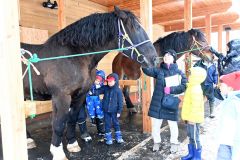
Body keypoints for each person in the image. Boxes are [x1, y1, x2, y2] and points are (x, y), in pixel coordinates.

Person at [142, 49, 187, 152]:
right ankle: (156, 142)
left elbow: (184, 86)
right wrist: (143, 61)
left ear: (174, 59)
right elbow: (147, 70)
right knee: (156, 125)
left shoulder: (179, 72)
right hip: (158, 102)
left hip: (170, 102)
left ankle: (174, 142)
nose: (166, 57)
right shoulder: (158, 70)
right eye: (165, 55)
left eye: (169, 56)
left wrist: (171, 89)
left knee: (172, 124)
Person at [90, 73, 124, 145]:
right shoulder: (105, 88)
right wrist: (93, 90)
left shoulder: (118, 90)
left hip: (114, 111)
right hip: (106, 111)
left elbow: (120, 102)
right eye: (108, 81)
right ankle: (109, 138)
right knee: (107, 124)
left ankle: (118, 137)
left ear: (115, 81)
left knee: (116, 123)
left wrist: (119, 111)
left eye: (111, 81)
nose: (109, 83)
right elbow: (98, 91)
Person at [181, 67, 207, 160]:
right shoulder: (191, 86)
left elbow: (196, 106)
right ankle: (191, 154)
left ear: (196, 77)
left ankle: (197, 156)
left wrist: (191, 118)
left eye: (191, 74)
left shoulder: (195, 88)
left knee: (195, 138)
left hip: (194, 119)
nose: (189, 76)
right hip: (190, 117)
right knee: (190, 137)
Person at [216, 71, 240, 160]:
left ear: (230, 88)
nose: (219, 87)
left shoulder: (234, 103)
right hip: (227, 141)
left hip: (228, 143)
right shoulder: (230, 99)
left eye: (222, 85)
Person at [86, 70, 105, 136]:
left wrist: (98, 83)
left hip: (97, 98)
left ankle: (101, 129)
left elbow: (101, 80)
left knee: (99, 110)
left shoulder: (99, 73)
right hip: (89, 97)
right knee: (91, 109)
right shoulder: (88, 74)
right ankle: (93, 119)